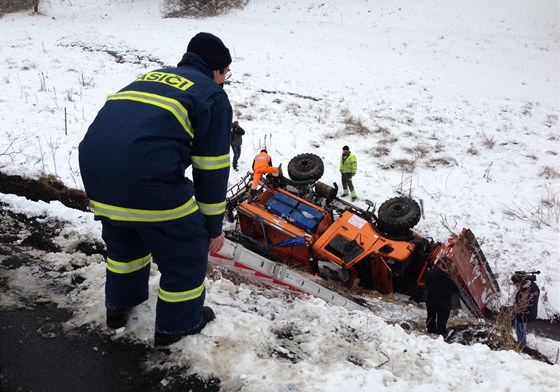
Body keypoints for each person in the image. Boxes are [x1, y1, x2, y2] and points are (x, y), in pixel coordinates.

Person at [78, 32, 233, 347]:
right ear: (216, 69)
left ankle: (118, 308)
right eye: (227, 74)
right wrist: (211, 227)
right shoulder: (211, 94)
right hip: (144, 178)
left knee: (125, 240)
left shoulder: (149, 78)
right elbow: (212, 167)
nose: (225, 80)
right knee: (186, 248)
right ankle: (178, 326)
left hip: (96, 173)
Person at [424, 262, 458, 336]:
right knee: (442, 322)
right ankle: (440, 336)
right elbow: (456, 289)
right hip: (444, 304)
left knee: (431, 318)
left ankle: (430, 333)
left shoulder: (431, 273)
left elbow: (426, 282)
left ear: (441, 265)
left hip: (431, 301)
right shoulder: (451, 279)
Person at [511, 274, 540, 347]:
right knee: (512, 321)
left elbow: (527, 305)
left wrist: (518, 310)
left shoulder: (532, 289)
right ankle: (509, 333)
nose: (514, 285)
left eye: (515, 283)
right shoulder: (524, 286)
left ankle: (522, 345)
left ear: (520, 281)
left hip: (525, 313)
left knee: (519, 329)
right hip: (518, 311)